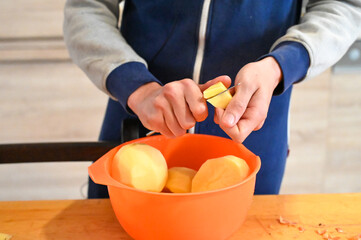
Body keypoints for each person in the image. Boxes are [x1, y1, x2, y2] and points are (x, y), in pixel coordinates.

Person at [63, 0, 361, 198]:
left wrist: (280, 66)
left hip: (252, 140)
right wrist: (136, 87)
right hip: (138, 124)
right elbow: (87, 8)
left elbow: (342, 6)